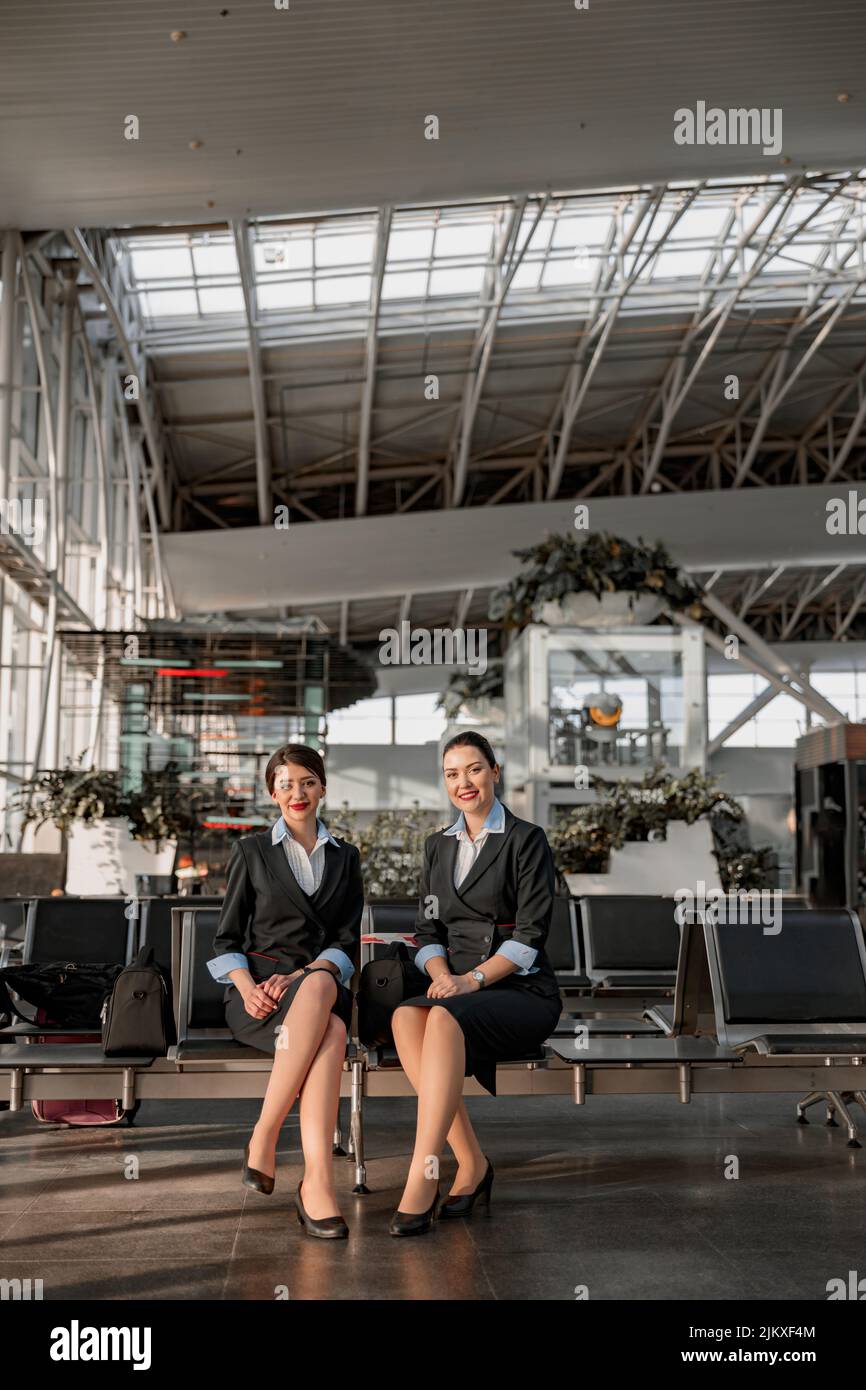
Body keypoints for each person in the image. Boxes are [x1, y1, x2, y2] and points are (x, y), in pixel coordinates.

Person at [389, 731, 562, 1235]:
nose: (463, 782)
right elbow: (427, 930)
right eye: (452, 774)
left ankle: (422, 1176)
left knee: (440, 1018)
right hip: (457, 986)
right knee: (405, 1015)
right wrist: (444, 976)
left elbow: (530, 937)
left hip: (520, 989)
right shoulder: (436, 847)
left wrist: (472, 980)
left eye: (474, 770)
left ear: (495, 773)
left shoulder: (526, 841)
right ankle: (472, 1162)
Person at [207, 743, 362, 1239]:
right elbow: (226, 939)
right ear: (272, 791)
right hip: (260, 1001)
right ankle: (316, 1185)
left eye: (308, 782)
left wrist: (306, 974)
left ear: (322, 788)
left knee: (321, 986)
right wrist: (248, 987)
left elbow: (347, 942)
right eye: (287, 783)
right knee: (333, 1031)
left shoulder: (346, 857)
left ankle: (265, 1133)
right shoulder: (250, 851)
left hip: (312, 985)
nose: (298, 793)